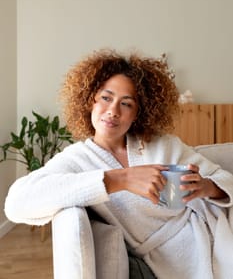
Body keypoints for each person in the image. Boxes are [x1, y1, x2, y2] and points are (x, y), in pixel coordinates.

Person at [5, 49, 233, 279]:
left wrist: (208, 187)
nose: (113, 111)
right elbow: (15, 204)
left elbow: (224, 178)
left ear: (137, 114)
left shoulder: (162, 145)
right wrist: (120, 179)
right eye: (106, 98)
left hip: (212, 236)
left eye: (126, 104)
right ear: (89, 101)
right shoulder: (77, 159)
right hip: (164, 261)